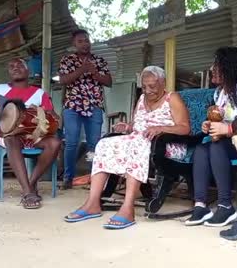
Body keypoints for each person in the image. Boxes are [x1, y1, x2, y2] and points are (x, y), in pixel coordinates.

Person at [64, 66, 190, 229]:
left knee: (137, 144)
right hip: (140, 140)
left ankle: (127, 207)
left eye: (152, 86)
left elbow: (185, 128)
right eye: (144, 87)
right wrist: (128, 127)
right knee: (104, 144)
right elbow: (137, 125)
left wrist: (161, 128)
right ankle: (92, 203)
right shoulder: (142, 99)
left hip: (167, 144)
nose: (147, 91)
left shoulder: (172, 98)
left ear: (163, 83)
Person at [184, 46, 237, 240]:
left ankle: (225, 205)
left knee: (215, 148)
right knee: (201, 150)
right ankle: (200, 205)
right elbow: (222, 120)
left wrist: (228, 129)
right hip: (228, 143)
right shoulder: (220, 93)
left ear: (229, 67)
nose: (212, 68)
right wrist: (211, 125)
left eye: (217, 64)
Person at [0, 58, 61, 209]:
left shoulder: (39, 93)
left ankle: (30, 183)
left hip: (33, 134)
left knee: (54, 143)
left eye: (20, 65)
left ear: (28, 70)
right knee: (12, 140)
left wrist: (48, 115)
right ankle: (28, 192)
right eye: (11, 66)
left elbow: (51, 115)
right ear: (8, 72)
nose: (15, 68)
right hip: (8, 134)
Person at [58, 29, 113, 190]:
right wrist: (82, 70)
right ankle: (68, 178)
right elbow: (63, 80)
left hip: (94, 105)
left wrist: (94, 71)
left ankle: (93, 178)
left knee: (94, 144)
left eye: (87, 40)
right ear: (74, 44)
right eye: (80, 41)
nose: (85, 44)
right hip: (73, 106)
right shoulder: (67, 60)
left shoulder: (99, 60)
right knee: (71, 143)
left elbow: (108, 81)